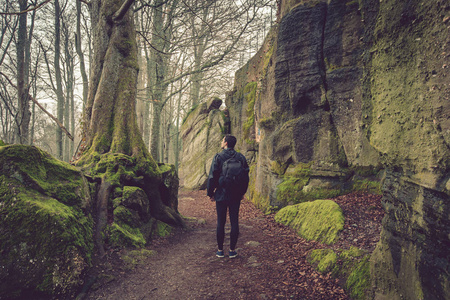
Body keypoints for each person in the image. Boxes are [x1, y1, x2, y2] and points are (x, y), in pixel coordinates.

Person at [207, 134, 249, 258]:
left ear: (225, 143)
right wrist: (242, 193)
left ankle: (220, 250)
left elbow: (212, 176)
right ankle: (232, 250)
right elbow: (246, 178)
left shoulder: (218, 157)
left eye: (222, 140)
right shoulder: (241, 157)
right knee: (234, 221)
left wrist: (211, 193)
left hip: (221, 194)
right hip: (235, 195)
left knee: (221, 222)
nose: (221, 142)